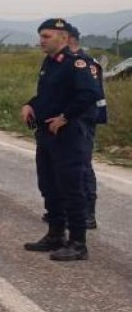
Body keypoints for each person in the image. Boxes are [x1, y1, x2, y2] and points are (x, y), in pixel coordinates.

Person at [21, 18, 100, 262]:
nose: (41, 41)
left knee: (70, 188)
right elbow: (48, 95)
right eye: (41, 36)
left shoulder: (77, 64)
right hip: (46, 134)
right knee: (49, 185)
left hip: (68, 136)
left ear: (63, 38)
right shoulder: (50, 63)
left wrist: (65, 117)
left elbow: (90, 94)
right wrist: (30, 104)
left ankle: (78, 242)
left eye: (46, 36)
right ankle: (55, 234)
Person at [66, 25, 106, 230]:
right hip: (67, 121)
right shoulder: (64, 62)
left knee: (82, 165)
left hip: (81, 121)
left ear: (70, 39)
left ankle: (88, 213)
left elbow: (89, 95)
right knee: (66, 166)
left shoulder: (86, 63)